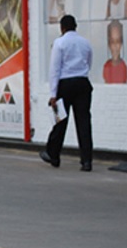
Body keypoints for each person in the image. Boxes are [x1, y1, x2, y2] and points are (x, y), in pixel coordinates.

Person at [40, 14, 94, 171]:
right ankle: (86, 161)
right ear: (75, 26)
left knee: (60, 121)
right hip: (83, 83)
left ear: (62, 28)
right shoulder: (85, 43)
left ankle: (53, 155)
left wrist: (53, 94)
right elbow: (89, 62)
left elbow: (54, 69)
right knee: (84, 123)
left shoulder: (59, 43)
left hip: (65, 85)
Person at [102, 19, 127, 84]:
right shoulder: (107, 66)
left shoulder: (123, 66)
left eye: (118, 41)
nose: (115, 46)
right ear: (109, 44)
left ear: (121, 43)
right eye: (112, 42)